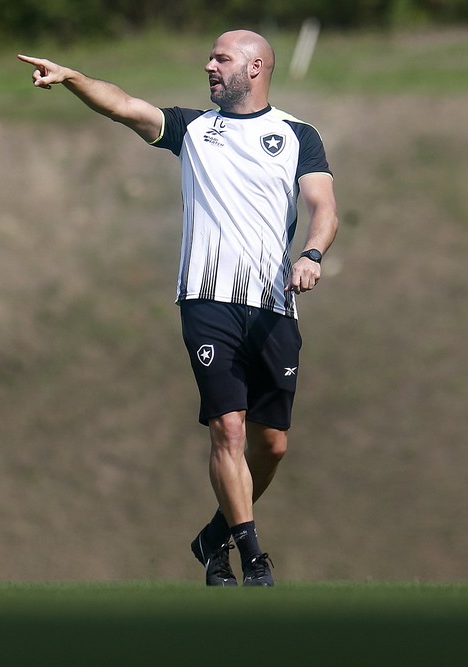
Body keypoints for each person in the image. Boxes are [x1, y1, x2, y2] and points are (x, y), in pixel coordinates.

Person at [18, 29, 338, 587]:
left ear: (256, 66)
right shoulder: (192, 129)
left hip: (274, 305)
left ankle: (213, 537)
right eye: (209, 56)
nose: (209, 65)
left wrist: (311, 254)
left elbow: (323, 206)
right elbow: (123, 106)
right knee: (228, 430)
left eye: (221, 58)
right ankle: (252, 558)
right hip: (206, 299)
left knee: (271, 445)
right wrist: (72, 79)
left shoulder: (297, 135)